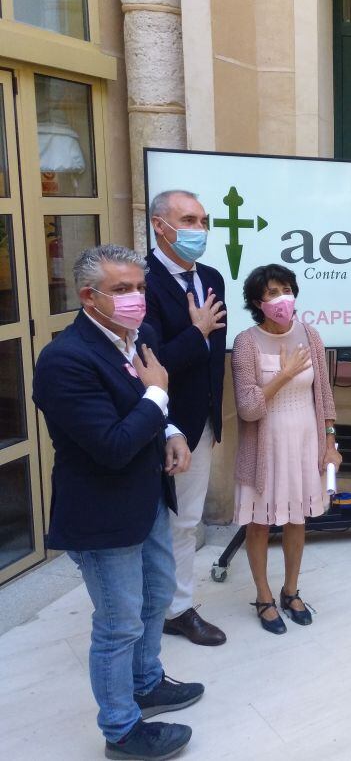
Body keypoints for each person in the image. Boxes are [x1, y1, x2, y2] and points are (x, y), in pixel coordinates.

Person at [33, 244, 203, 760]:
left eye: (140, 287)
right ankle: (122, 730)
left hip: (147, 497)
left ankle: (147, 683)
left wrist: (170, 428)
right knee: (118, 624)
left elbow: (149, 412)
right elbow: (110, 445)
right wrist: (157, 397)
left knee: (155, 600)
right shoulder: (65, 360)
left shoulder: (139, 337)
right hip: (102, 515)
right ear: (88, 296)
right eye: (121, 289)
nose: (136, 299)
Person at [232, 264, 341, 634]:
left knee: (297, 519)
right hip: (265, 447)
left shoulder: (310, 335)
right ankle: (263, 596)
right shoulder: (246, 343)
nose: (281, 299)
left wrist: (330, 443)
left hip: (305, 442)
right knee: (260, 523)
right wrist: (284, 373)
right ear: (256, 303)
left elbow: (324, 397)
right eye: (271, 293)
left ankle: (291, 590)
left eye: (285, 289)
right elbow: (247, 408)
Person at [145, 189, 228, 647]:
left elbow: (213, 360)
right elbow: (151, 362)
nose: (200, 230)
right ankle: (157, 606)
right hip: (159, 424)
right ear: (161, 225)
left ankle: (176, 609)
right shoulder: (142, 282)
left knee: (186, 520)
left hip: (203, 423)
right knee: (154, 522)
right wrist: (196, 333)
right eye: (189, 220)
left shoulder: (212, 277)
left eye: (203, 221)